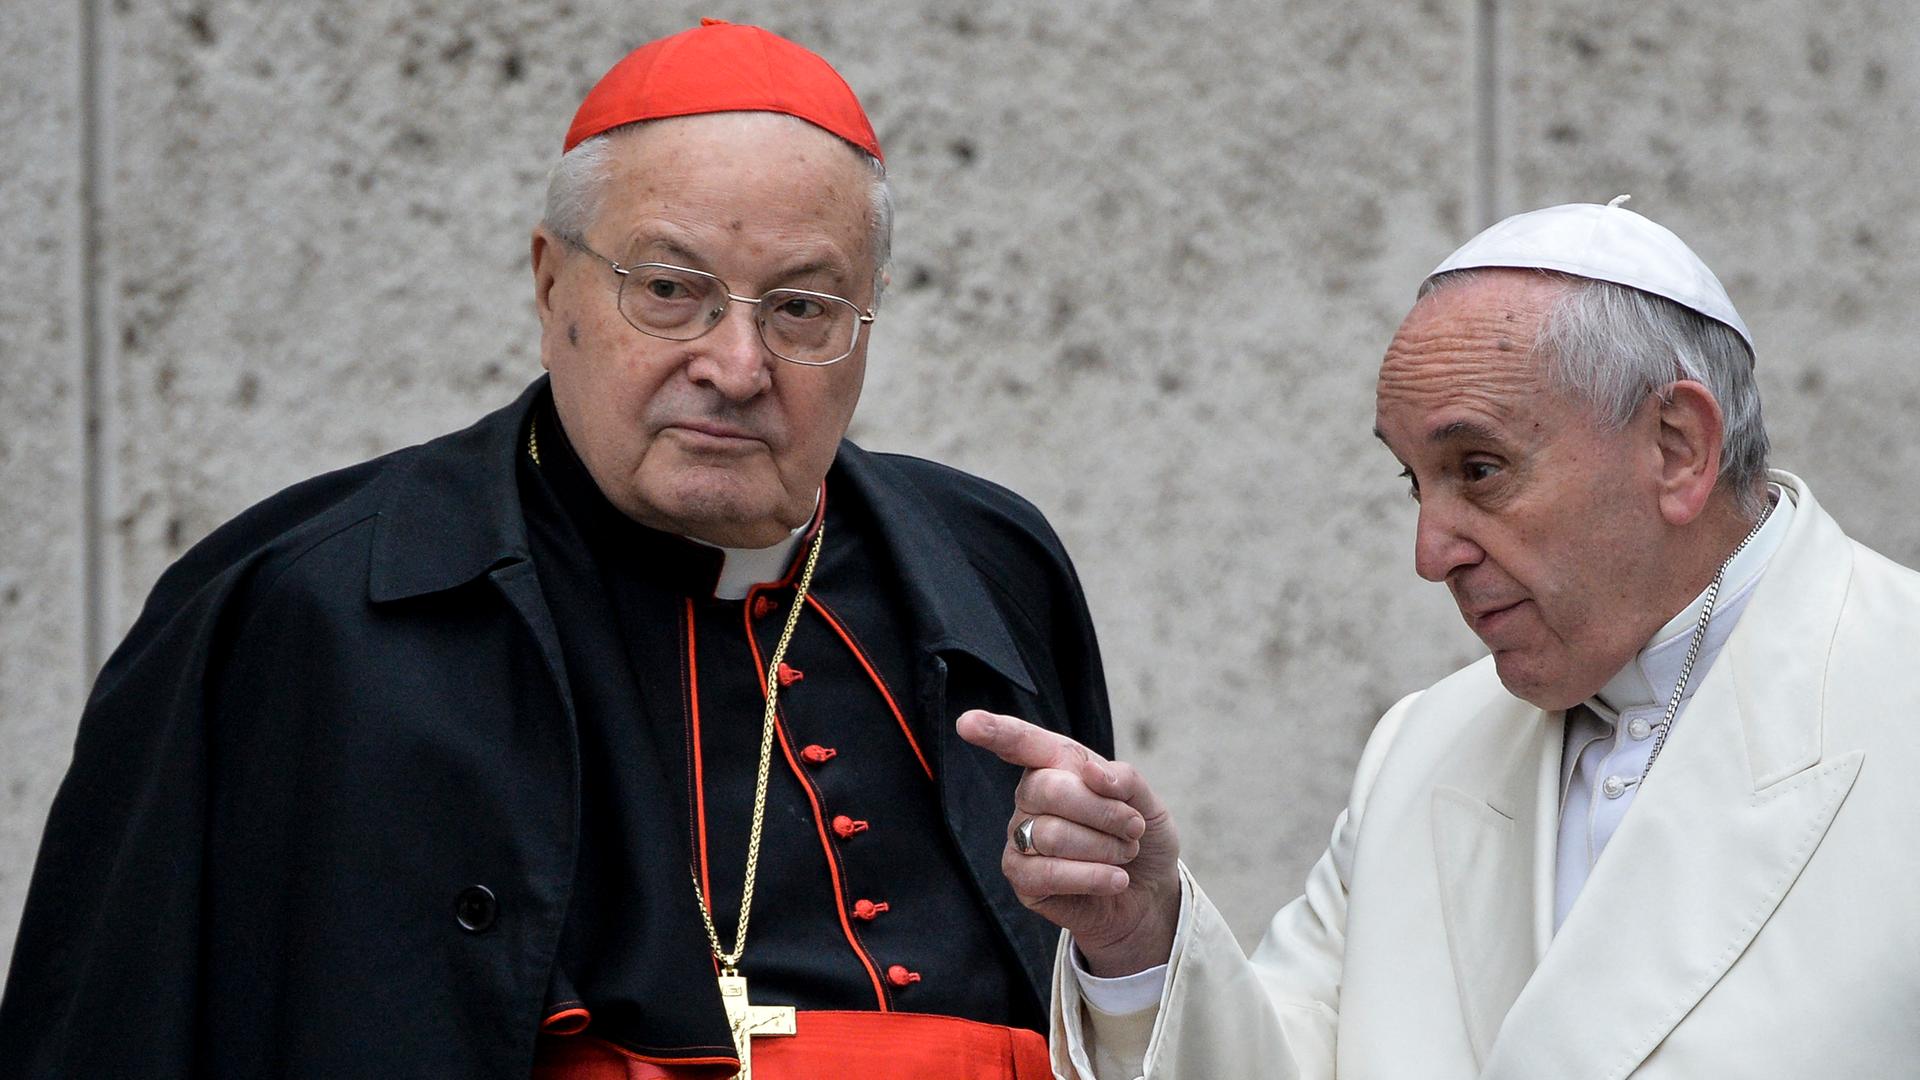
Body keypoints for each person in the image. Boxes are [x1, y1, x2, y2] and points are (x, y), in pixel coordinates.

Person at [0, 21, 1107, 1080]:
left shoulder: (992, 566)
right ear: (548, 283)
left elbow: (1093, 1013)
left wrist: (1143, 941)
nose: (736, 361)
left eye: (803, 308)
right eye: (669, 291)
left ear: (866, 323)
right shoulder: (295, 604)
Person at [961, 197, 1920, 1078]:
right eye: (1415, 483)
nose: (1432, 552)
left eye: (1482, 468)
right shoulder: (1422, 749)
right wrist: (1138, 943)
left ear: (1676, 447)